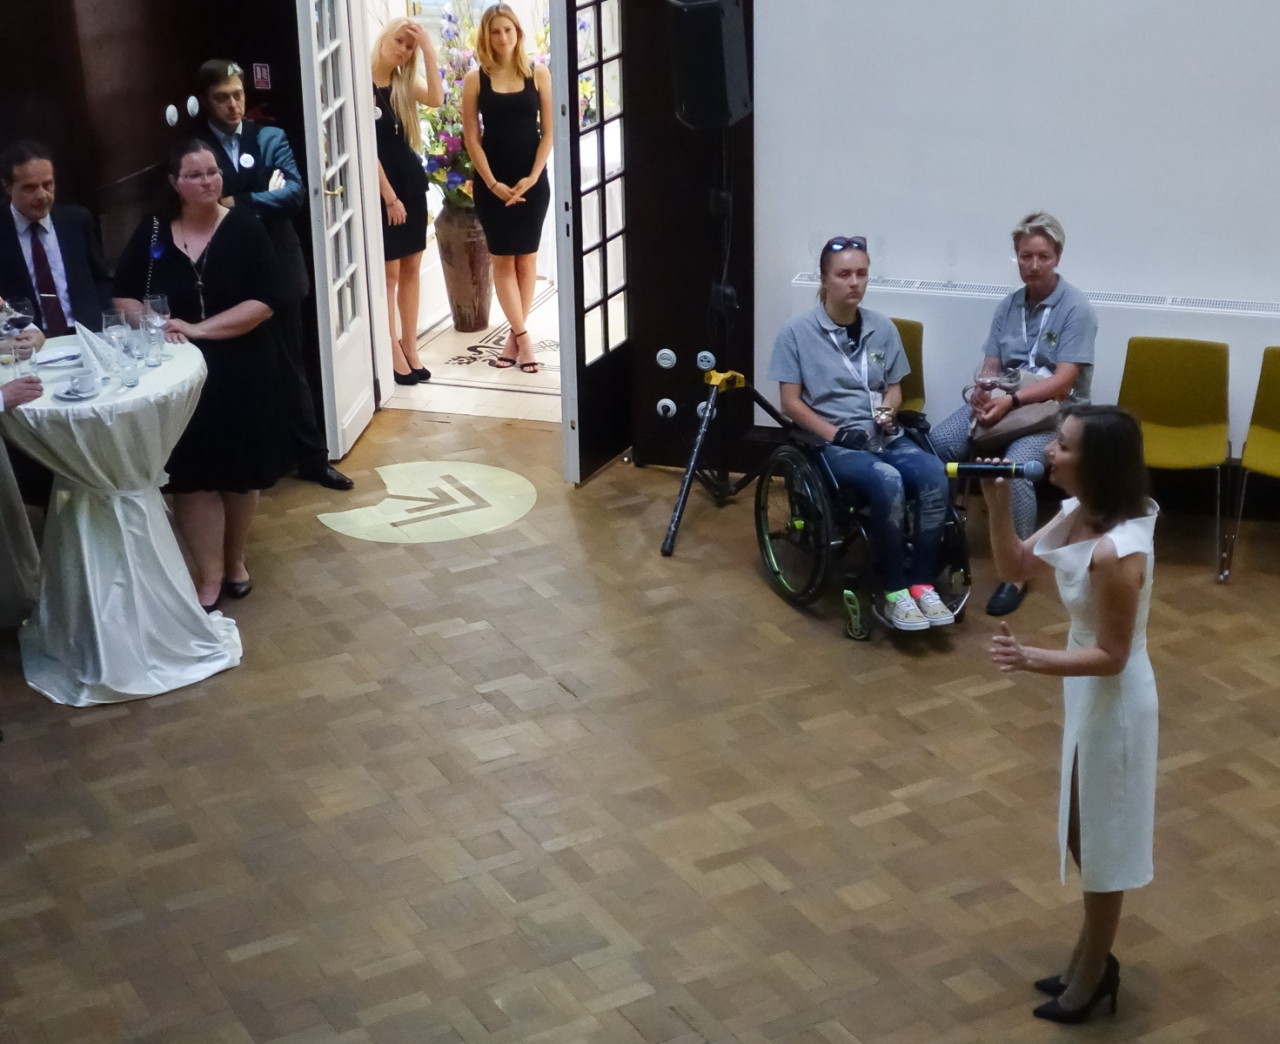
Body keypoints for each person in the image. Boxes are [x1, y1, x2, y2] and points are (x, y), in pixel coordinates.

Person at [982, 405, 1157, 1024]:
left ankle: (1091, 974)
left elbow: (1112, 656)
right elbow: (1015, 569)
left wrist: (1030, 658)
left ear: (1097, 464)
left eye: (1061, 444)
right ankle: (1090, 956)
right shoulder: (1077, 511)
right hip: (1086, 691)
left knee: (1101, 840)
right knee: (1086, 832)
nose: (1048, 451)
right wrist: (996, 505)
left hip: (1117, 699)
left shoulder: (1117, 552)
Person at [113, 138, 290, 612]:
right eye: (195, 175)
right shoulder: (153, 229)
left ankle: (235, 562)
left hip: (241, 367)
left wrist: (198, 329)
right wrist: (157, 325)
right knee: (191, 476)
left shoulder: (245, 227)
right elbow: (124, 294)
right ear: (175, 183)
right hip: (177, 373)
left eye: (213, 172)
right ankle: (208, 576)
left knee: (238, 475)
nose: (208, 181)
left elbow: (265, 300)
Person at [768, 236, 954, 631]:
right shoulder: (796, 332)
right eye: (844, 274)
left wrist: (887, 413)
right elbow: (790, 403)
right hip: (833, 443)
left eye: (861, 274)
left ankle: (922, 583)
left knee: (934, 474)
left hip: (883, 436)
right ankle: (894, 589)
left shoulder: (882, 327)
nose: (854, 282)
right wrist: (836, 434)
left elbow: (894, 387)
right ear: (824, 280)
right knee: (887, 480)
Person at [191, 60, 353, 492]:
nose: (233, 105)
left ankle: (313, 459)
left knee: (291, 366)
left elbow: (294, 194)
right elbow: (199, 204)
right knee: (243, 370)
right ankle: (261, 460)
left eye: (238, 95)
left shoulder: (269, 137)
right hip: (229, 271)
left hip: (279, 266)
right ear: (206, 101)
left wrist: (236, 202)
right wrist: (263, 193)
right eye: (222, 98)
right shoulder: (197, 147)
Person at [931, 212, 1098, 617]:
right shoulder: (1008, 307)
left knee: (1017, 467)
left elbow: (1063, 381)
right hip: (1005, 404)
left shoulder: (1076, 309)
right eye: (1026, 256)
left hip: (1054, 414)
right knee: (937, 444)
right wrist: (983, 389)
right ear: (1017, 258)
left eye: (1043, 256)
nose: (1034, 265)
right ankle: (939, 541)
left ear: (1057, 257)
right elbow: (991, 365)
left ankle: (1017, 572)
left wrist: (1013, 401)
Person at [463, 3, 553, 374]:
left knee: (527, 259)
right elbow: (471, 137)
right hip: (492, 182)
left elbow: (549, 132)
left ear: (518, 33)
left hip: (531, 181)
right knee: (502, 259)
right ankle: (524, 339)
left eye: (508, 30)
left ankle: (515, 337)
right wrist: (491, 183)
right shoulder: (475, 78)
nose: (503, 37)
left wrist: (533, 176)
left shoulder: (538, 73)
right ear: (486, 36)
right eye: (496, 31)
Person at [370, 17, 443, 385]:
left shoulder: (402, 82)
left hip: (411, 182)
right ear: (385, 38)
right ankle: (391, 349)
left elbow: (437, 99)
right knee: (389, 274)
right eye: (399, 41)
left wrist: (428, 49)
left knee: (412, 268)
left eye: (409, 46)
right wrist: (388, 197)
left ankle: (410, 346)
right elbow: (366, 148)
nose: (402, 49)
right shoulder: (360, 84)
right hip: (384, 189)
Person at [0, 141, 112, 335]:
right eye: (30, 187)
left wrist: (106, 324)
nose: (42, 195)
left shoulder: (76, 220)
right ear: (8, 187)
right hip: (27, 338)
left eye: (48, 184)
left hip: (85, 334)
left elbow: (100, 278)